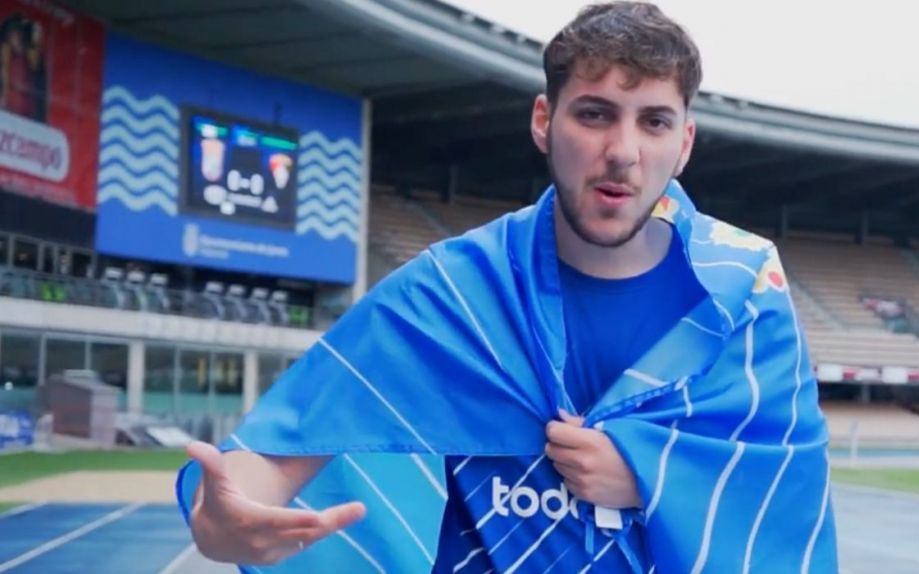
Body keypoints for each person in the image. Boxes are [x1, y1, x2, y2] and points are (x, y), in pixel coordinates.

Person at [178, 2, 838, 572]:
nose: (623, 151)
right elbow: (279, 449)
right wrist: (221, 522)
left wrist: (647, 474)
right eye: (595, 114)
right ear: (544, 120)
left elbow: (786, 482)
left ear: (685, 142)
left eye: (654, 122)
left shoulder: (743, 290)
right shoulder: (455, 289)